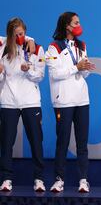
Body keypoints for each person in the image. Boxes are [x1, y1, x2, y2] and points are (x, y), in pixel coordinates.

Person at [46, 12, 95, 193]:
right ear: (67, 25)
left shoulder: (82, 45)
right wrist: (76, 67)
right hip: (64, 101)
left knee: (82, 143)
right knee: (63, 142)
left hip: (82, 99)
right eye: (76, 22)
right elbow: (55, 74)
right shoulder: (53, 48)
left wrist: (85, 68)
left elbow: (83, 74)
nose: (79, 25)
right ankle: (59, 179)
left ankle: (83, 179)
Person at [0, 17, 46, 192]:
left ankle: (39, 179)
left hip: (30, 102)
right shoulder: (2, 47)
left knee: (36, 141)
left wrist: (29, 71)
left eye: (23, 33)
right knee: (6, 143)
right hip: (9, 103)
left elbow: (40, 76)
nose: (20, 36)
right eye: (16, 34)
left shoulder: (36, 48)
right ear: (10, 34)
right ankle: (6, 179)